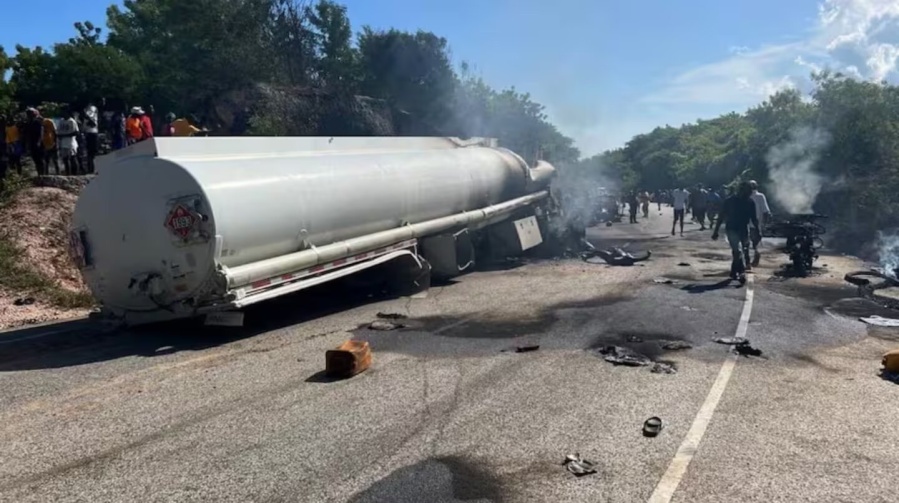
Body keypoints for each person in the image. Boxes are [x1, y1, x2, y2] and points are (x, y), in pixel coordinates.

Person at [712, 181, 760, 282]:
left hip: (744, 229)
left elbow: (754, 219)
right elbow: (721, 216)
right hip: (732, 229)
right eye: (748, 191)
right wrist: (715, 231)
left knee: (745, 250)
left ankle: (734, 271)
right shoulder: (730, 201)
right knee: (737, 251)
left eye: (750, 191)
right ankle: (740, 271)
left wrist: (758, 231)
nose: (750, 193)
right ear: (742, 190)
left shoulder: (750, 202)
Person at [748, 180, 772, 266]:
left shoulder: (757, 196)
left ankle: (754, 258)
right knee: (753, 242)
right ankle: (753, 258)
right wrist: (764, 224)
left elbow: (766, 212)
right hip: (755, 224)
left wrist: (764, 224)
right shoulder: (760, 196)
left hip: (751, 224)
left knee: (752, 242)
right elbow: (766, 212)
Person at [57, 107, 80, 176]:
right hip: (63, 143)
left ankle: (75, 174)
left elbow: (76, 132)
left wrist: (65, 135)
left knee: (72, 158)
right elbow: (58, 132)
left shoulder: (71, 121)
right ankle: (68, 174)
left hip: (70, 143)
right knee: (65, 159)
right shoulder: (61, 121)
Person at [23, 108, 45, 176]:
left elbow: (41, 132)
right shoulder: (28, 123)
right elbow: (26, 134)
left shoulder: (37, 121)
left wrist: (39, 142)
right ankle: (39, 174)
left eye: (30, 113)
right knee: (35, 159)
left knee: (40, 159)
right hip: (32, 143)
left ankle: (43, 174)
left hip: (38, 143)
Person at [82, 104, 100, 174]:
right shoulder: (90, 108)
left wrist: (86, 116)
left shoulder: (92, 109)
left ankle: (92, 169)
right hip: (90, 133)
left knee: (92, 153)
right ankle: (91, 169)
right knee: (90, 153)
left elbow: (93, 123)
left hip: (92, 133)